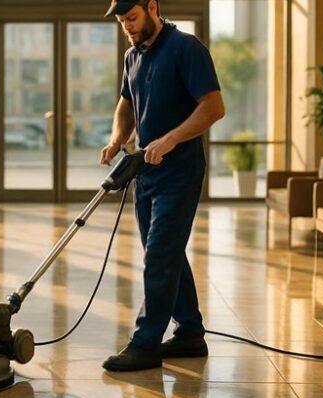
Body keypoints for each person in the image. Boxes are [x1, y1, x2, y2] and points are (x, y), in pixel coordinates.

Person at [99, 0, 225, 371]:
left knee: (159, 256)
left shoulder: (187, 49)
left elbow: (214, 107)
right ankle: (189, 333)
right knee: (166, 253)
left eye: (133, 18)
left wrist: (171, 139)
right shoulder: (132, 57)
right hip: (146, 173)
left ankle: (146, 342)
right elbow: (126, 103)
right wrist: (117, 138)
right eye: (123, 22)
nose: (128, 27)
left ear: (152, 7)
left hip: (180, 172)